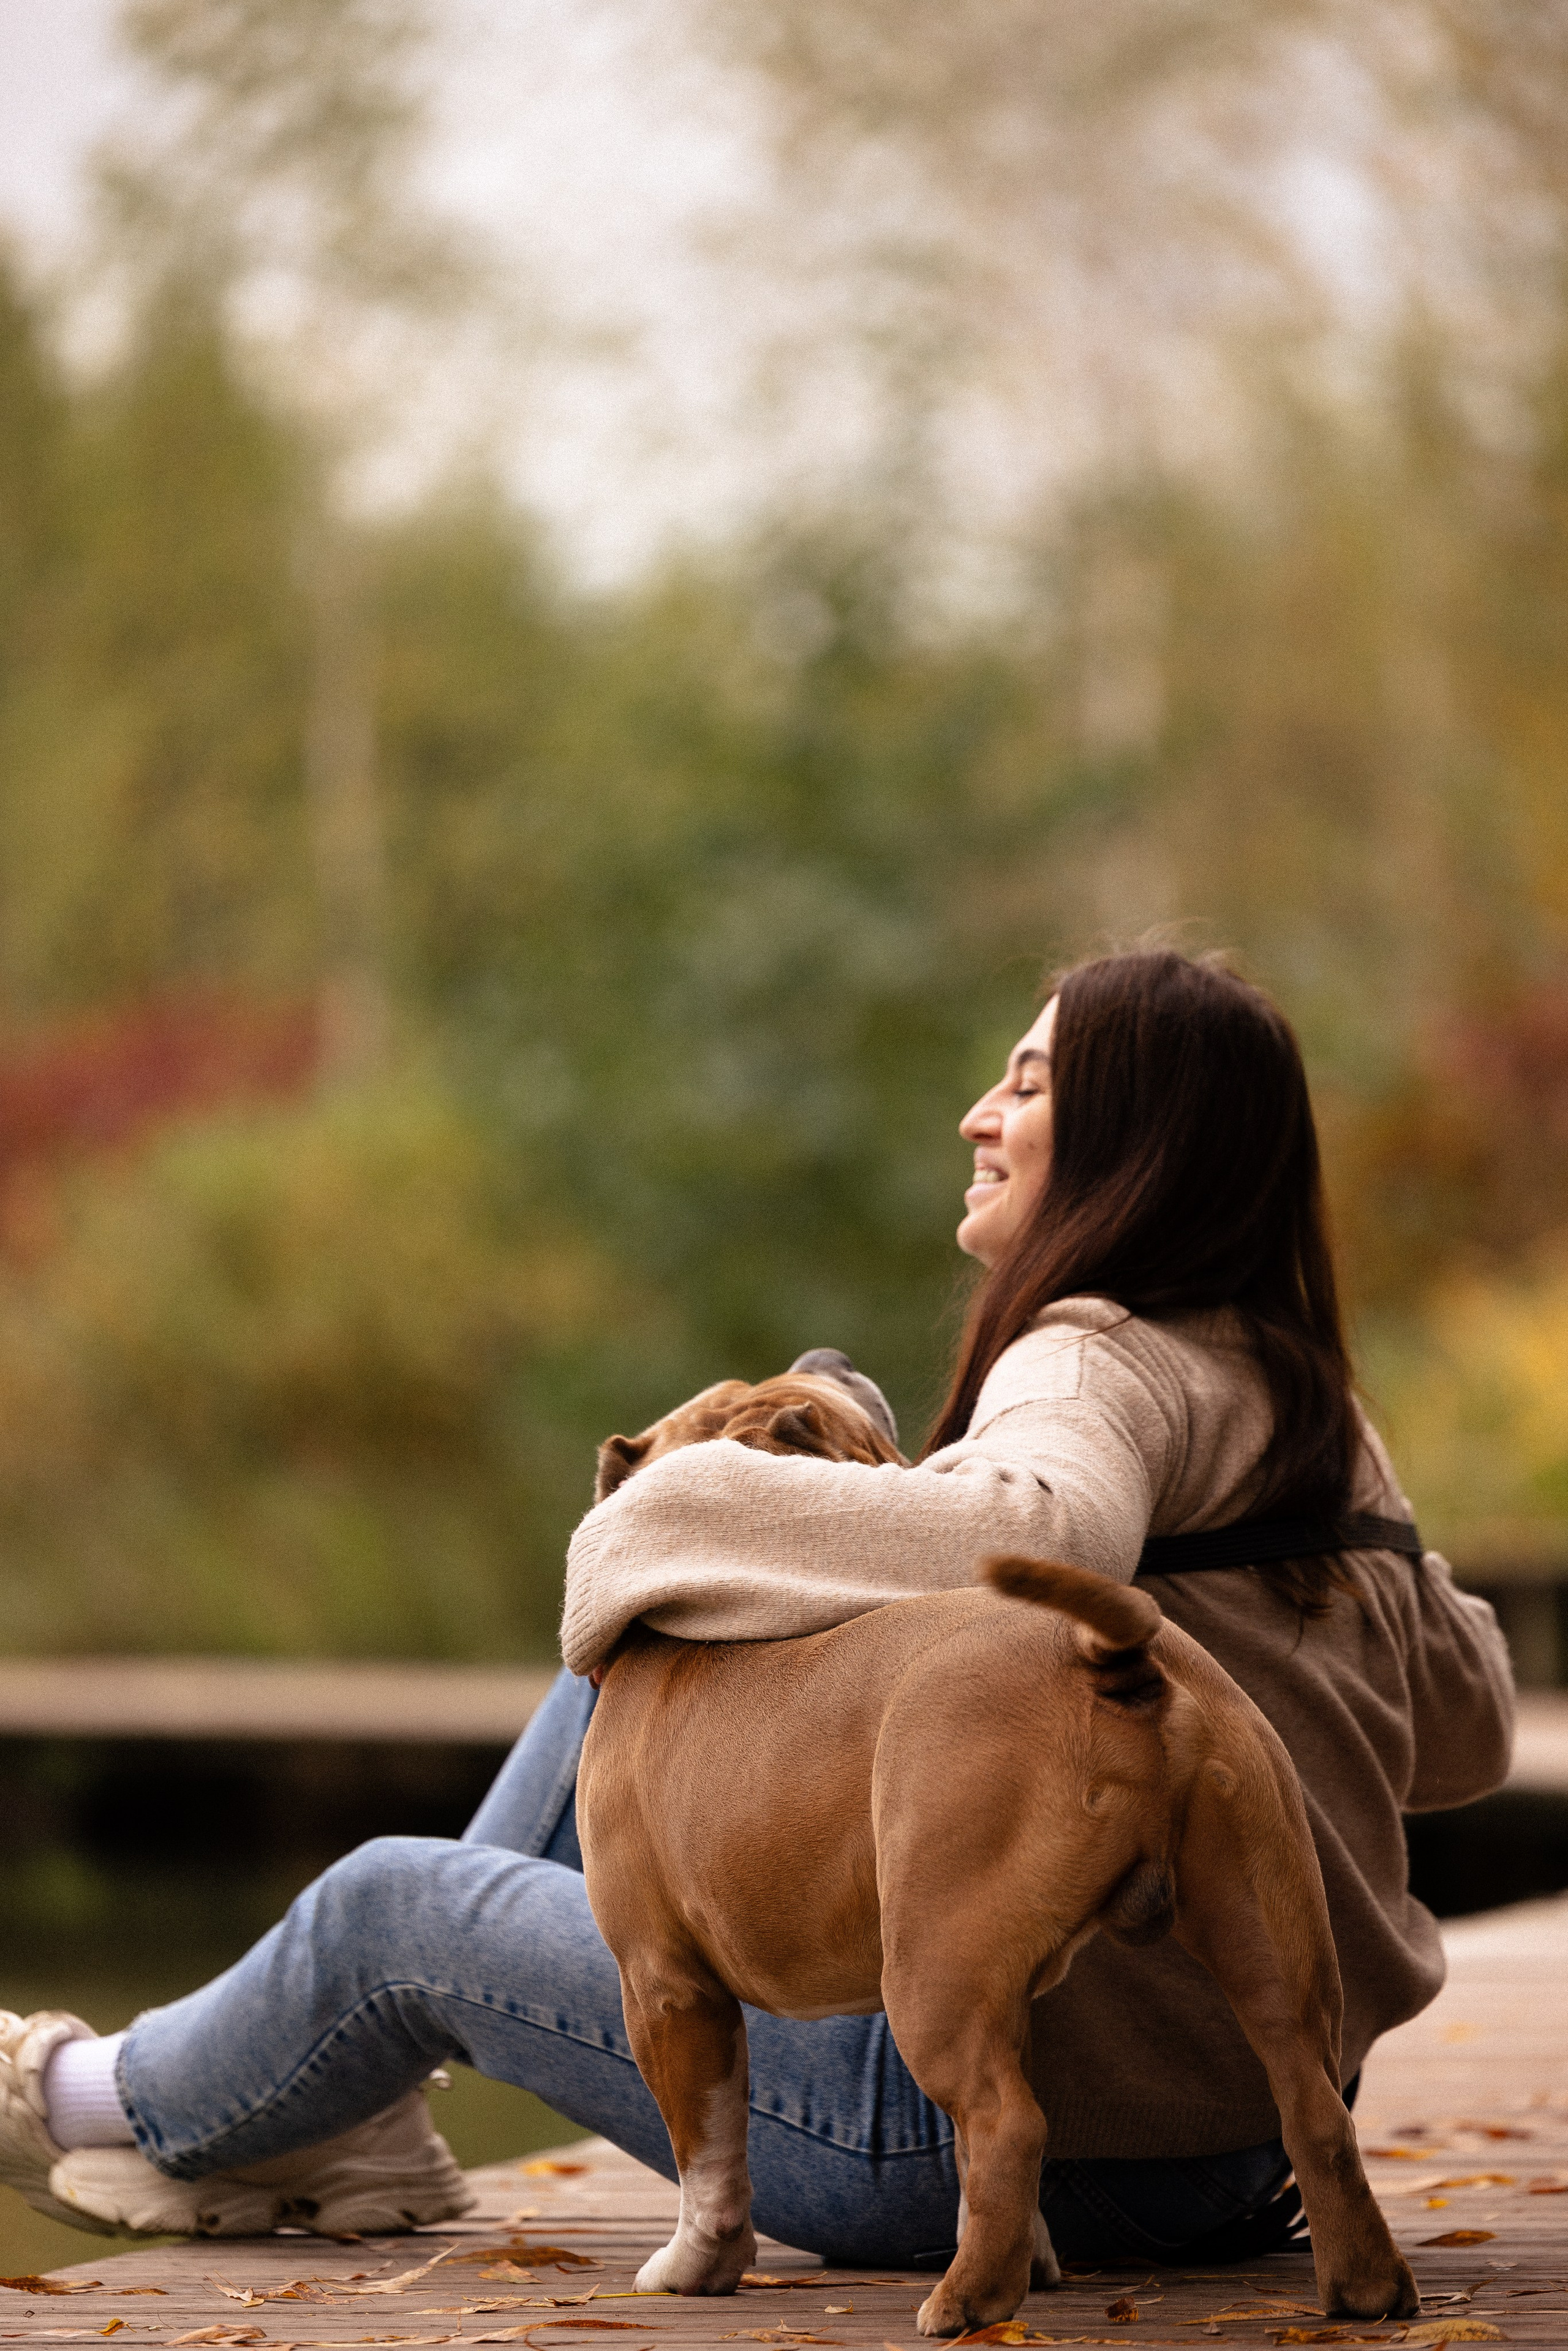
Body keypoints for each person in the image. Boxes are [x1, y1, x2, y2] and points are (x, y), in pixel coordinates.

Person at [1, 948, 1513, 2268]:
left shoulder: (1091, 1359)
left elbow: (1052, 1529)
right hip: (1241, 2161)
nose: (978, 1118)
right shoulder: (1314, 1414)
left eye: (1030, 1083)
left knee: (395, 1905)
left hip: (953, 2137)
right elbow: (1463, 1736)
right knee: (639, 1666)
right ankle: (359, 2102)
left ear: (1138, 1143)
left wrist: (672, 1500)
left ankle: (103, 2101)